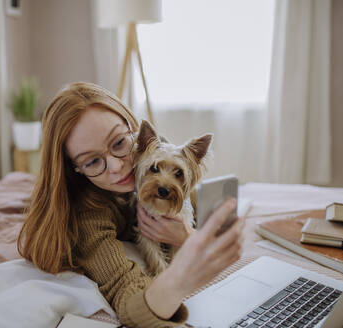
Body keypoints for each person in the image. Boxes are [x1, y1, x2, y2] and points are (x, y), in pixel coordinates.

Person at [17, 82, 244, 328]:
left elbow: (187, 196)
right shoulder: (89, 217)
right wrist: (179, 275)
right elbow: (129, 300)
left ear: (133, 131)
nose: (116, 166)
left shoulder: (149, 159)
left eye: (118, 144)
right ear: (74, 169)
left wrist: (187, 234)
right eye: (92, 161)